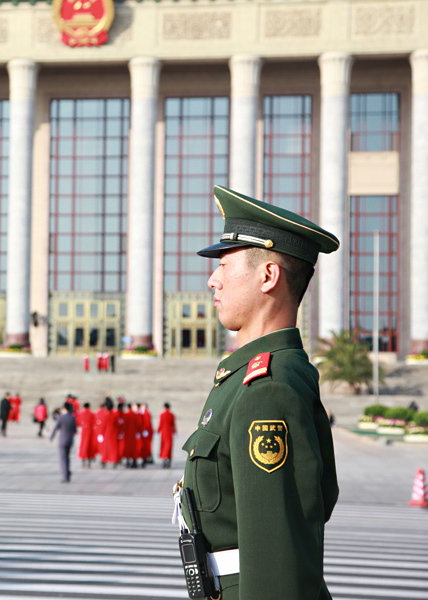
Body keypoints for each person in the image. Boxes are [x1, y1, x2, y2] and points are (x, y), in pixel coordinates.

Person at [178, 185, 339, 600]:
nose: (212, 280)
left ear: (268, 276)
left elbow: (277, 557)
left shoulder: (268, 389)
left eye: (225, 265)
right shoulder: (244, 378)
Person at [49, 402, 77, 483]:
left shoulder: (61, 417)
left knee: (63, 459)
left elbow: (56, 428)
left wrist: (51, 437)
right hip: (70, 440)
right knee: (68, 458)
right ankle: (68, 472)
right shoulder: (72, 418)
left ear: (64, 408)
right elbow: (75, 429)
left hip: (63, 440)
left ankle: (65, 476)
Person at [157, 402, 177, 469]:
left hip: (163, 432)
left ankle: (164, 459)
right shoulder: (171, 415)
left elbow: (160, 424)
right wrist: (175, 432)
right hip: (169, 432)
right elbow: (173, 425)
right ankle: (169, 459)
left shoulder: (162, 414)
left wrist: (158, 431)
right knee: (169, 445)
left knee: (164, 445)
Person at [76, 402, 94, 467]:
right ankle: (89, 461)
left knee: (83, 444)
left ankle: (83, 460)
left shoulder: (81, 413)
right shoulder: (91, 414)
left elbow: (77, 422)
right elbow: (94, 422)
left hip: (83, 430)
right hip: (90, 431)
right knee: (89, 445)